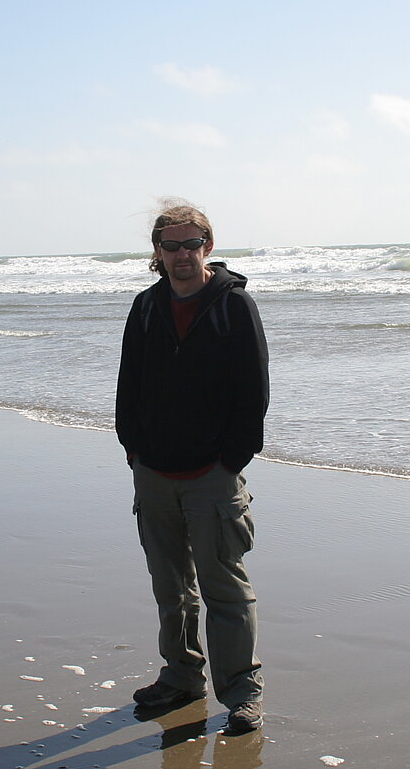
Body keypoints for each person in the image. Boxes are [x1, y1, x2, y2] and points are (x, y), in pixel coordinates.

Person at [115, 200, 270, 735]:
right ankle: (181, 678)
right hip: (154, 472)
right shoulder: (146, 307)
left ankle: (242, 693)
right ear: (157, 252)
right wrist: (134, 449)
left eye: (192, 244)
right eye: (171, 245)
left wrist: (231, 460)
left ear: (208, 246)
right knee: (171, 587)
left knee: (225, 588)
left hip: (212, 475)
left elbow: (253, 391)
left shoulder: (234, 305)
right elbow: (129, 384)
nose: (182, 254)